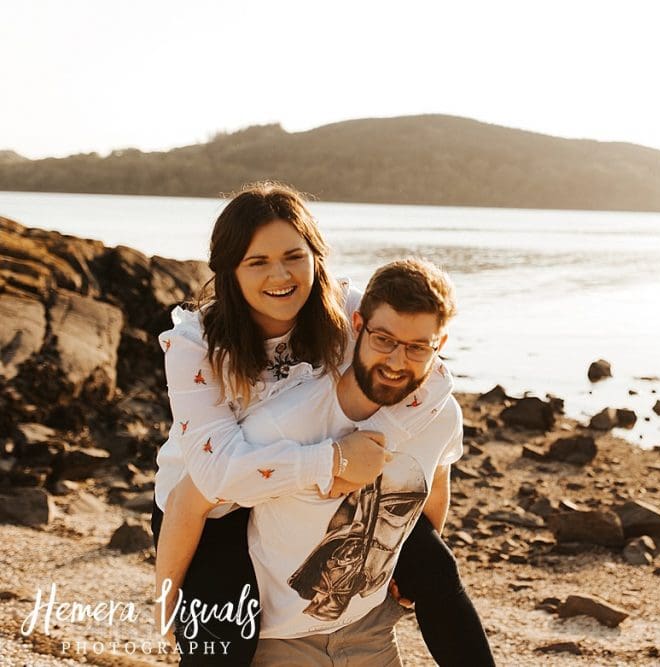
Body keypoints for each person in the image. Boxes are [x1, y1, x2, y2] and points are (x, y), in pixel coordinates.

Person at [151, 182, 494, 665]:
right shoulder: (195, 344)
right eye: (258, 262)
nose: (281, 275)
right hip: (210, 512)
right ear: (230, 269)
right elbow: (210, 479)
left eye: (294, 256)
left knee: (436, 568)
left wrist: (373, 450)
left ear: (317, 255)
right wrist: (332, 461)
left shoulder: (345, 309)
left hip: (320, 485)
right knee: (225, 641)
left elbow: (434, 379)